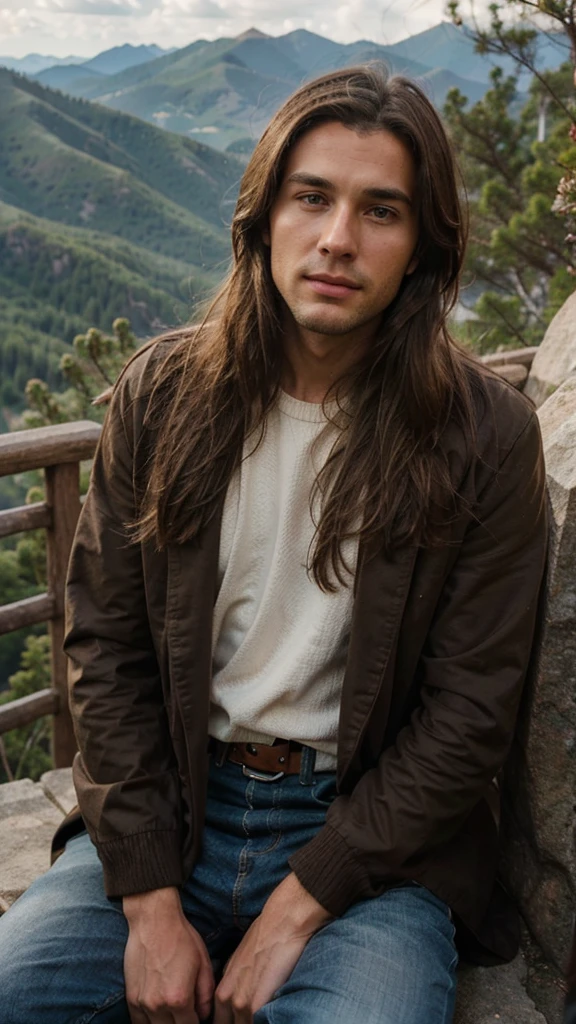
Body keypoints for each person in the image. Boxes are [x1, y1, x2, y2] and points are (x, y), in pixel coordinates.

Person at [0, 64, 548, 1024]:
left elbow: (470, 715)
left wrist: (300, 905)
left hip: (374, 844)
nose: (339, 239)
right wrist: (148, 897)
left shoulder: (486, 438)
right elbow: (107, 650)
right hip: (177, 799)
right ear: (263, 216)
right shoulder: (163, 397)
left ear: (422, 246)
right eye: (312, 198)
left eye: (382, 210)